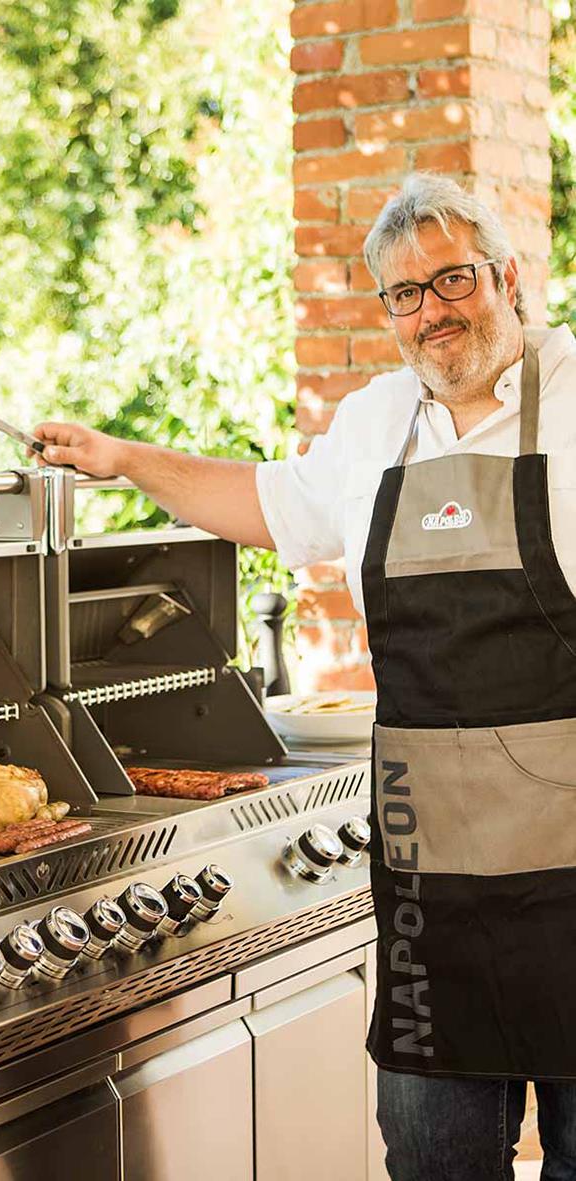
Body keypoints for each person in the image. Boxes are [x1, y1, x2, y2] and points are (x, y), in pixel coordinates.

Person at [34, 171, 576, 1181]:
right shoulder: (377, 423)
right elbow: (265, 502)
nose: (430, 311)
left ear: (504, 277)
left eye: (450, 279)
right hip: (433, 883)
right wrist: (118, 456)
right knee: (428, 1156)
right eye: (403, 294)